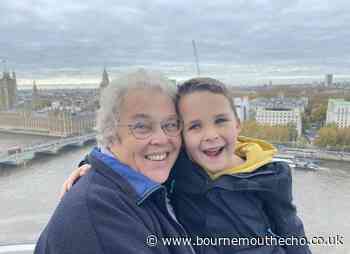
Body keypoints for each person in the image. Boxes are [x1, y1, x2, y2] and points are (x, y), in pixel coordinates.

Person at [61, 77, 311, 254]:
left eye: (220, 121)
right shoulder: (179, 168)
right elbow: (128, 159)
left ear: (238, 125)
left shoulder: (271, 174)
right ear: (181, 136)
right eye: (194, 126)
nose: (210, 135)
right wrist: (90, 166)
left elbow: (291, 232)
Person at [34, 69, 195, 254]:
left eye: (171, 124)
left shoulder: (152, 182)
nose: (161, 138)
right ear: (109, 133)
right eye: (141, 126)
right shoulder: (98, 216)